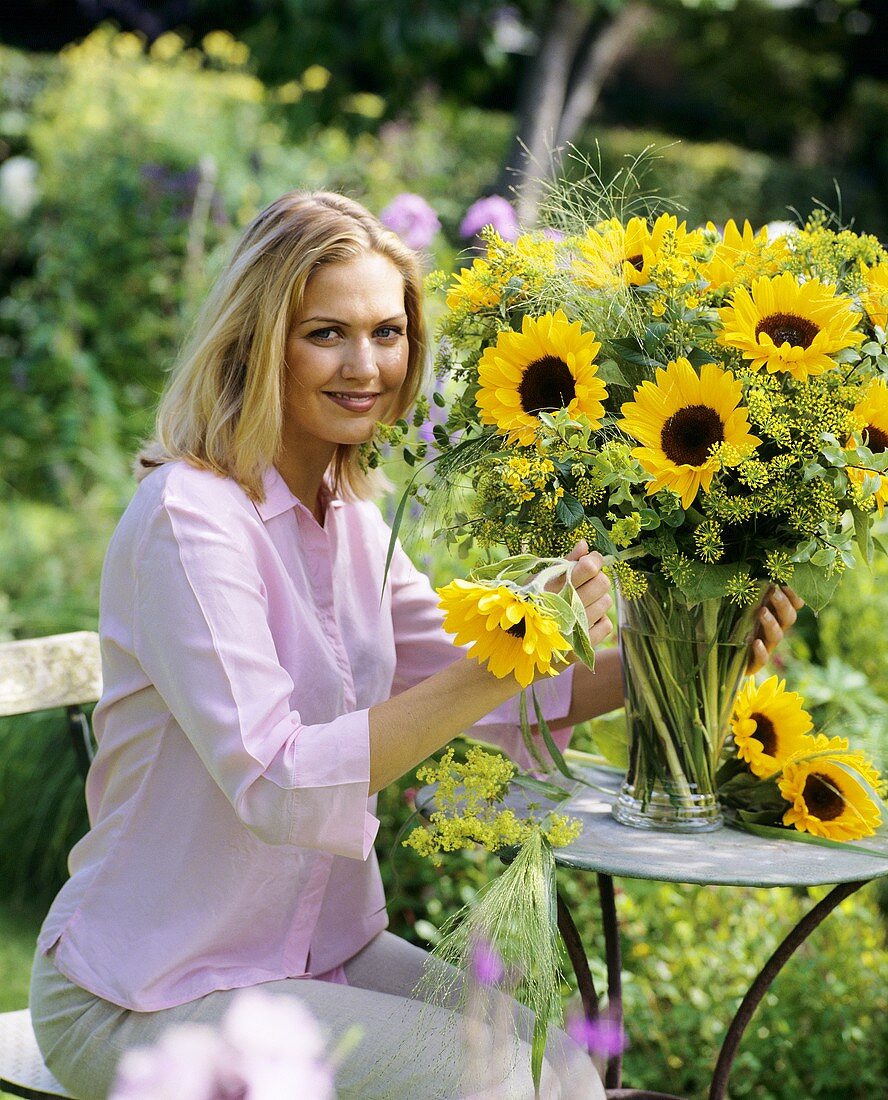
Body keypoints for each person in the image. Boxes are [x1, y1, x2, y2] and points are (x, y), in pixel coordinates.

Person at [28, 190, 802, 1100]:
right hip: (146, 995)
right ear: (254, 340)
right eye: (326, 334)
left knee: (559, 1060)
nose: (367, 366)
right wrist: (500, 659)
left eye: (387, 332)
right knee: (495, 1084)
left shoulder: (350, 517)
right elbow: (279, 781)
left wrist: (686, 651)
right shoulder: (191, 520)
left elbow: (503, 691)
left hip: (313, 961)